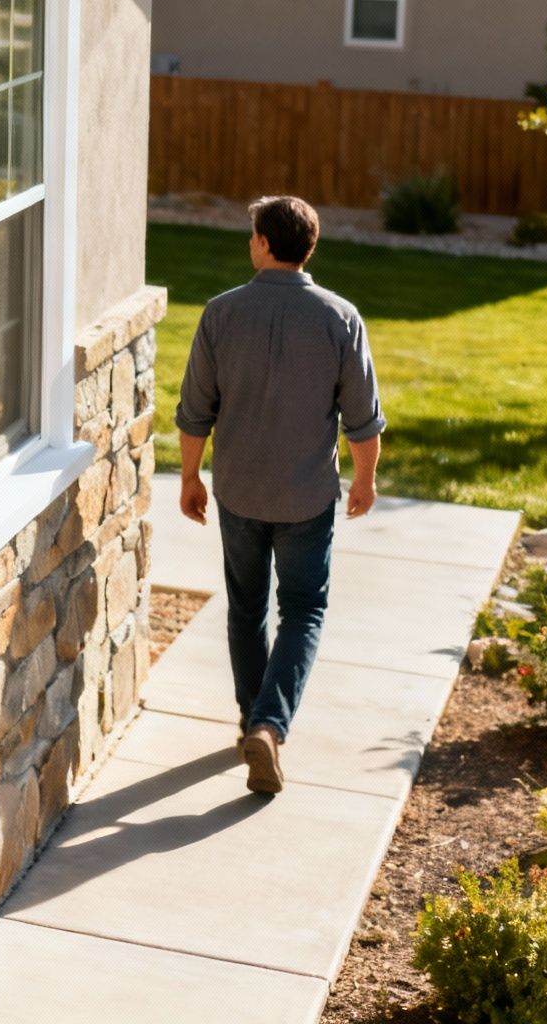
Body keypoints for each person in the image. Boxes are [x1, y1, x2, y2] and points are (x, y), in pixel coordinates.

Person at [173, 196, 385, 795]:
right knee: (304, 610)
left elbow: (195, 413)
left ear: (265, 243)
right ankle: (270, 723)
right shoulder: (341, 318)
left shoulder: (220, 314)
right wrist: (365, 479)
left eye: (251, 234)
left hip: (238, 493)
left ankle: (251, 718)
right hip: (306, 498)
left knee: (247, 608)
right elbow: (362, 419)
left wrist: (190, 477)